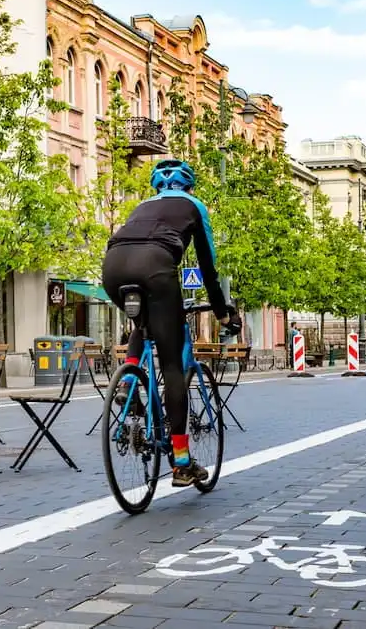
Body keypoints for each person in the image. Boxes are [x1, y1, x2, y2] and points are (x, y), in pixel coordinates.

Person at [102, 159, 241, 488]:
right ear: (190, 187)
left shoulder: (141, 206)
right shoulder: (194, 206)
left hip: (113, 266)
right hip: (155, 266)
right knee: (171, 361)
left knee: (142, 325)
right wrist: (222, 312)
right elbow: (207, 267)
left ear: (156, 189)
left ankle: (128, 384)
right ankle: (180, 462)